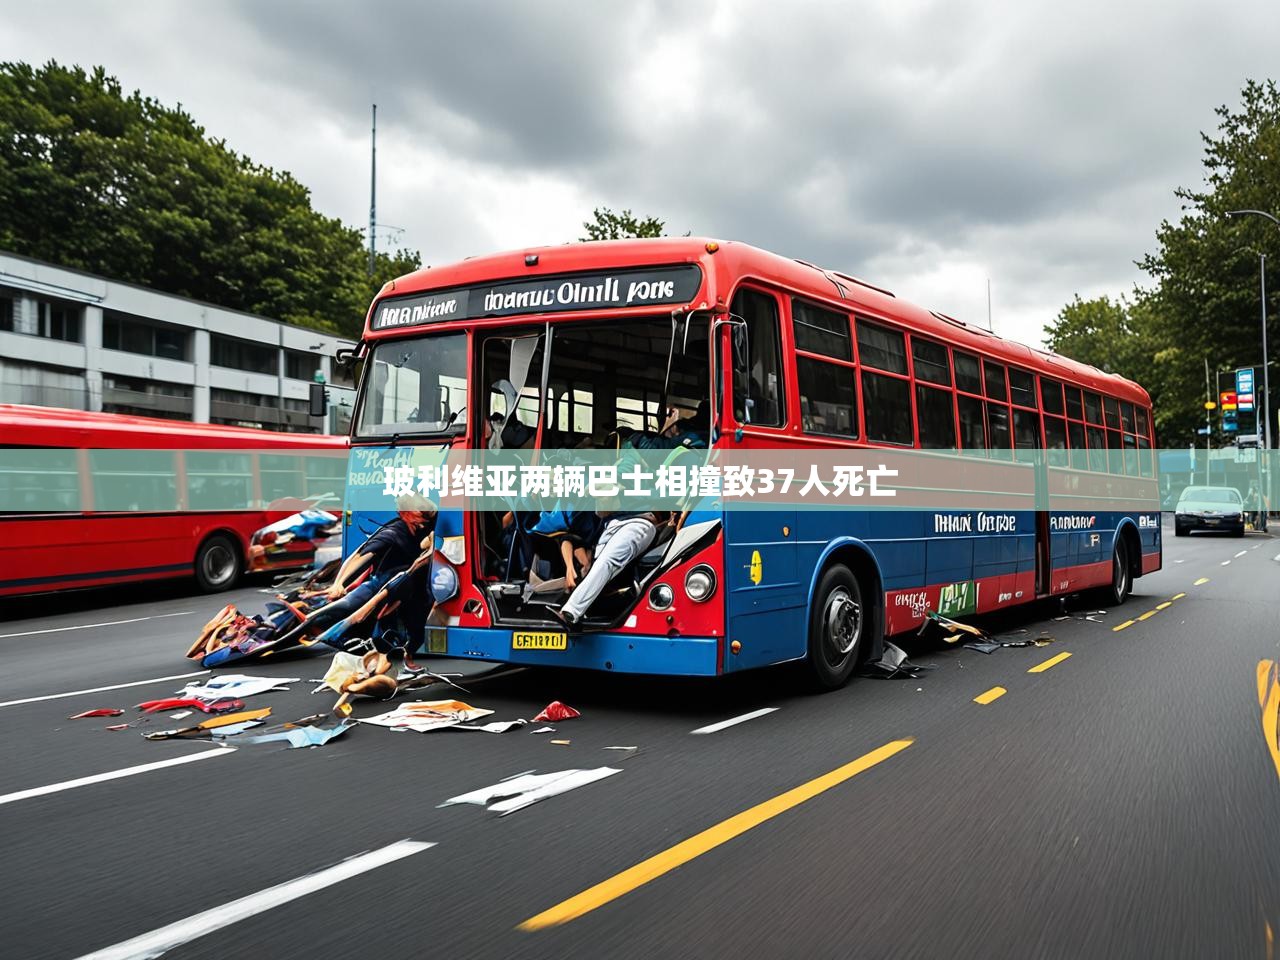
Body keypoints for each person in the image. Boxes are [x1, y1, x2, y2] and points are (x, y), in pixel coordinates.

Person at [276, 493, 437, 652]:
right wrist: (339, 583)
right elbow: (360, 556)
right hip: (380, 584)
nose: (423, 518)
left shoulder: (426, 523)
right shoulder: (393, 532)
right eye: (418, 514)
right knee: (344, 606)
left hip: (405, 587)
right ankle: (290, 626)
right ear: (405, 514)